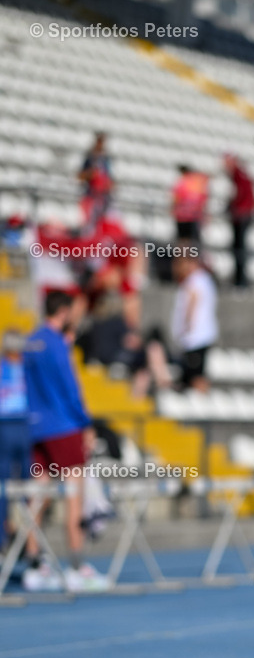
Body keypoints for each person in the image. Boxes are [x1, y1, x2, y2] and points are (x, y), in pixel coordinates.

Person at [22, 291, 109, 592]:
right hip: (64, 426)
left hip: (35, 428)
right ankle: (76, 565)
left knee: (37, 495)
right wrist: (85, 422)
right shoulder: (57, 344)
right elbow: (70, 387)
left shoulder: (30, 342)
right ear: (64, 311)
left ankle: (35, 563)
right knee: (75, 495)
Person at [0, 331, 31, 556]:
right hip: (6, 426)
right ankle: (4, 535)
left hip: (26, 426)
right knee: (4, 486)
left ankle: (29, 539)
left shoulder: (29, 367)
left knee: (29, 487)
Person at [170, 251, 218, 392]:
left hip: (195, 337)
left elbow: (192, 302)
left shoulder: (194, 280)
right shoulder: (205, 279)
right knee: (196, 374)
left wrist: (186, 325)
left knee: (195, 376)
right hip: (202, 336)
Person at [224, 154, 254, 288]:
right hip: (244, 214)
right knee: (239, 247)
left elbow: (239, 194)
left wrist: (233, 208)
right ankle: (239, 280)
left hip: (241, 216)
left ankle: (240, 281)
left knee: (239, 248)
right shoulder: (241, 176)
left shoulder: (238, 176)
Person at [78, 132, 114, 227]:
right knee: (90, 224)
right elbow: (80, 176)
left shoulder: (106, 159)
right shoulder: (89, 158)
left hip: (103, 197)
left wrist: (109, 184)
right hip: (91, 196)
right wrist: (91, 174)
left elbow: (109, 177)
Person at [171, 165, 209, 242]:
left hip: (183, 216)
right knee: (193, 241)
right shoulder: (198, 182)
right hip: (194, 216)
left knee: (183, 239)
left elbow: (176, 199)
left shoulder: (182, 183)